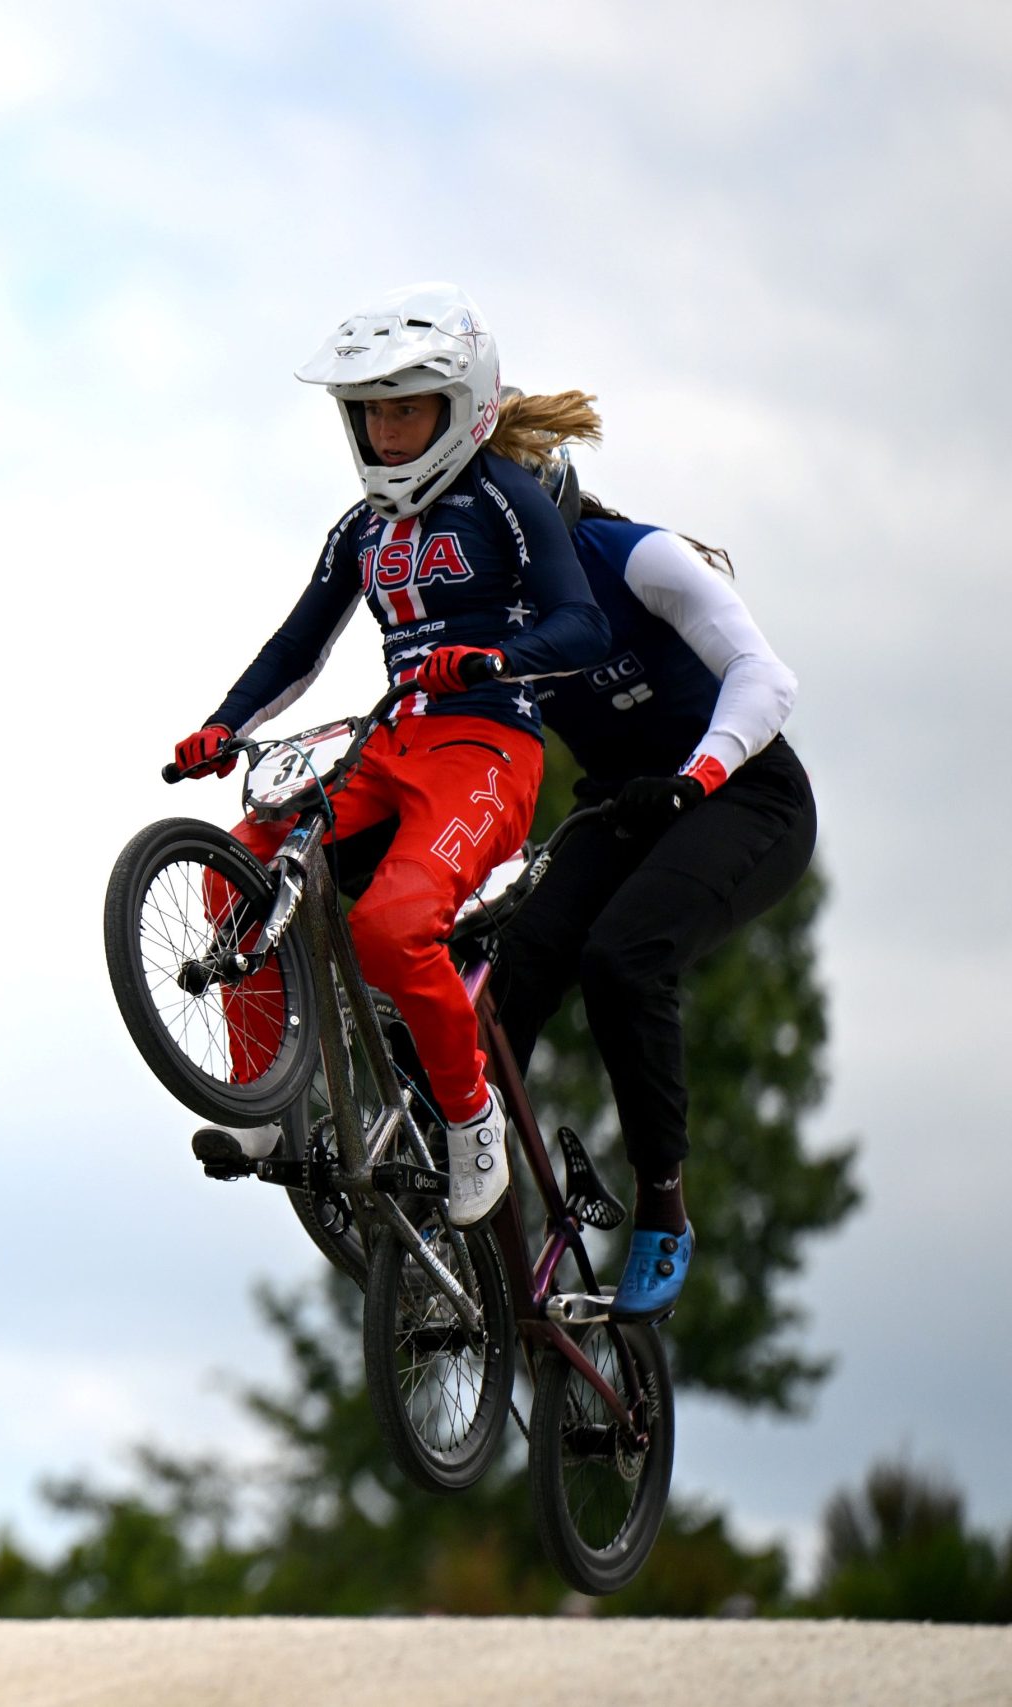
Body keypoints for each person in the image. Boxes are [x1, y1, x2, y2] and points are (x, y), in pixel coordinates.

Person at [170, 283, 610, 1228]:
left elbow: (583, 623)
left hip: (488, 744)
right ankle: (263, 1103)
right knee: (237, 866)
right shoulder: (361, 528)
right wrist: (224, 725)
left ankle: (470, 1115)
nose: (386, 432)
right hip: (389, 738)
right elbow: (298, 648)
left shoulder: (504, 495)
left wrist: (495, 658)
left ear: (460, 408)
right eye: (370, 413)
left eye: (405, 408)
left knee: (392, 926)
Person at [477, 418, 813, 1320]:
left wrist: (695, 776)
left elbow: (765, 678)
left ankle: (663, 1206)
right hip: (625, 807)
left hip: (743, 792)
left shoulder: (636, 558)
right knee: (514, 970)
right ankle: (471, 1191)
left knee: (620, 959)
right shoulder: (482, 617)